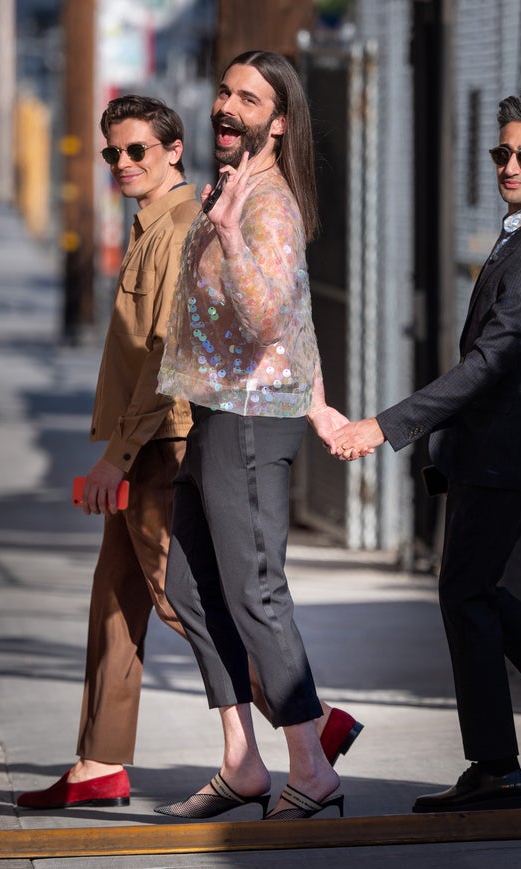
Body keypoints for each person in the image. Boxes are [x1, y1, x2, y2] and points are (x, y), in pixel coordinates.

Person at [17, 94, 361, 811]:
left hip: (162, 439)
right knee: (116, 597)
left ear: (173, 149)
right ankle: (99, 760)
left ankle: (310, 722)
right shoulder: (149, 223)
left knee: (188, 596)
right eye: (112, 153)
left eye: (136, 150)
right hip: (138, 438)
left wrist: (119, 453)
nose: (121, 164)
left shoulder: (181, 226)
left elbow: (165, 357)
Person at [329, 91, 521, 812]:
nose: (509, 164)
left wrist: (387, 425)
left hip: (510, 449)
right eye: (501, 152)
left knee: (465, 591)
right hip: (496, 447)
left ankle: (502, 765)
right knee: (469, 590)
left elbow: (490, 362)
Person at [152, 51, 350, 822]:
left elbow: (270, 319)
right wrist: (323, 403)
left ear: (279, 120)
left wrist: (229, 234)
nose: (228, 107)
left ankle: (312, 766)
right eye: (225, 93)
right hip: (215, 412)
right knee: (188, 586)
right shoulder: (236, 193)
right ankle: (241, 759)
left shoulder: (265, 207)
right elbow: (297, 320)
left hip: (248, 418)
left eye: (249, 99)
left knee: (254, 590)